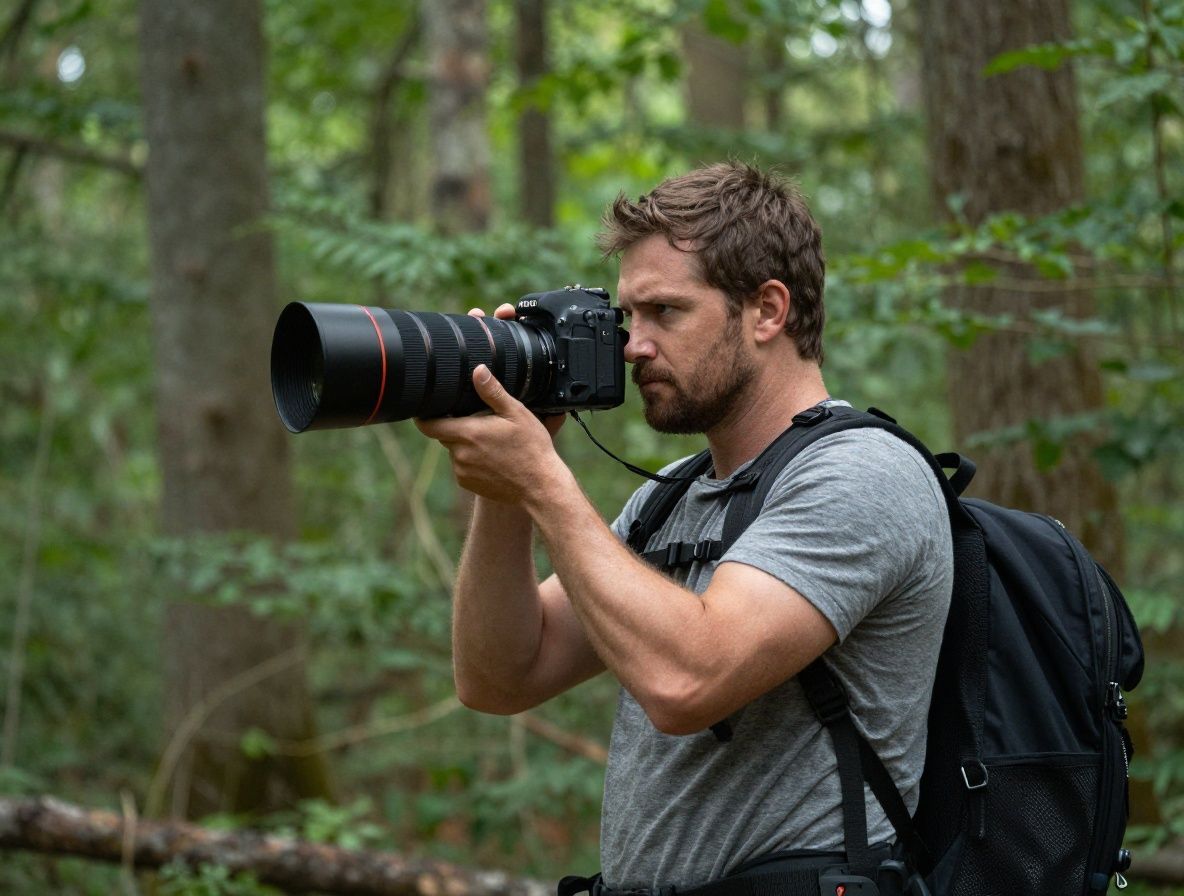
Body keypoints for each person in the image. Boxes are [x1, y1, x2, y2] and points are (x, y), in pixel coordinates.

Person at [415, 162, 953, 893]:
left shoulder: (863, 475)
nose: (634, 345)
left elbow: (687, 680)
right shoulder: (673, 498)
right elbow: (499, 676)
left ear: (767, 311)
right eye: (628, 315)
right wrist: (508, 485)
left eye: (665, 312)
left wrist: (544, 481)